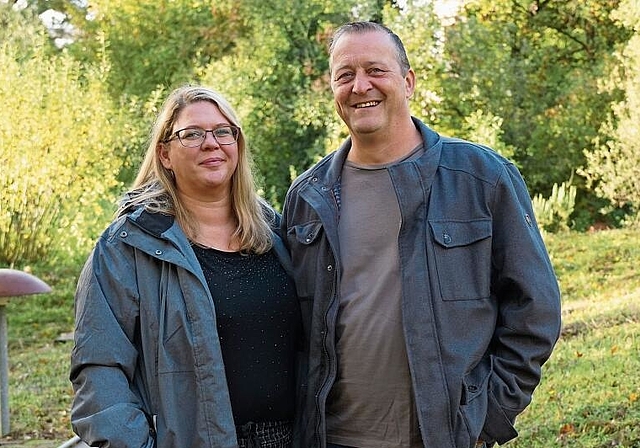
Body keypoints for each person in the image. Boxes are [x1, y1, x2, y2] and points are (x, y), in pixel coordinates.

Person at [281, 21, 562, 448]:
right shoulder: (307, 198)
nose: (360, 86)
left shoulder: (481, 178)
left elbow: (535, 308)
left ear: (408, 82)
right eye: (345, 75)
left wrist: (488, 417)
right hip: (332, 437)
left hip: (442, 436)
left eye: (376, 70)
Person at [70, 85, 304, 448]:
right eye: (191, 134)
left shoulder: (275, 232)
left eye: (223, 131)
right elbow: (100, 368)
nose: (211, 143)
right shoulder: (128, 245)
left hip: (288, 438)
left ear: (237, 145)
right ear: (164, 154)